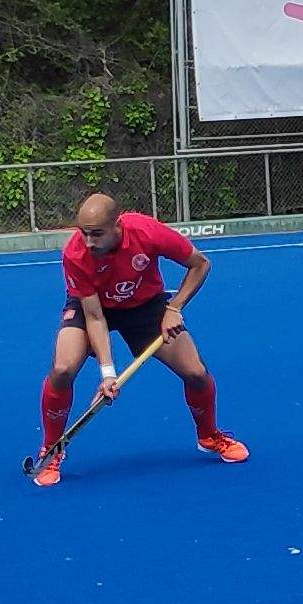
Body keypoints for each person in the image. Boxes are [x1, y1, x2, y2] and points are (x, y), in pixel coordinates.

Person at [38, 193, 246, 485]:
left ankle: (209, 436)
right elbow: (96, 317)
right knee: (62, 369)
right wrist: (108, 373)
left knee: (196, 373)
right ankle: (51, 449)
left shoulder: (147, 231)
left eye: (96, 234)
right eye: (83, 233)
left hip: (145, 307)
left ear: (117, 226)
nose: (88, 242)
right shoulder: (76, 253)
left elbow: (200, 264)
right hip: (93, 308)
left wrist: (174, 308)